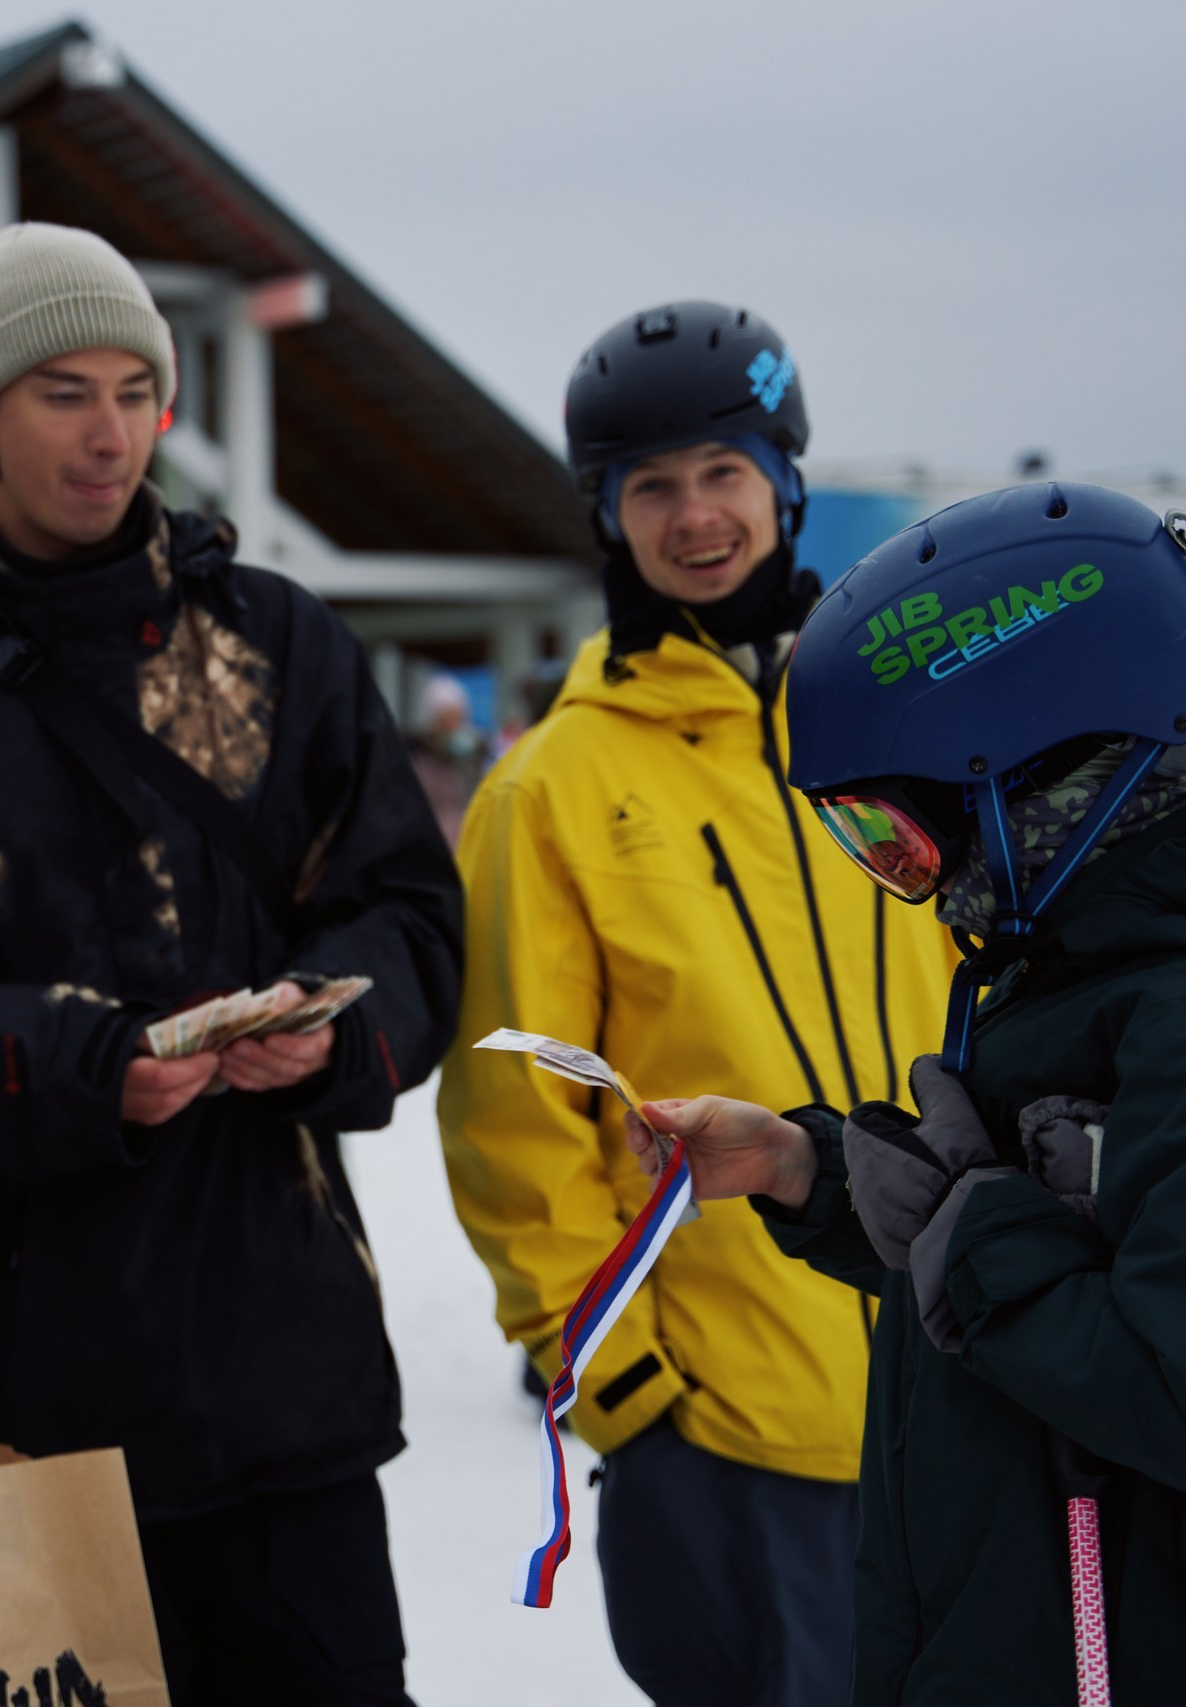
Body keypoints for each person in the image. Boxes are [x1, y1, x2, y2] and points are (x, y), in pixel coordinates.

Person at [0, 222, 463, 1705]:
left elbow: (410, 916)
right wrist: (82, 1065)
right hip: (10, 1408)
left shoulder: (284, 647)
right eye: (62, 390)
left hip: (284, 1378)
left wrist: (335, 1034)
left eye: (137, 388)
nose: (109, 431)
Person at [632, 482, 1186, 1704]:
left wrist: (975, 1228)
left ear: (1014, 781)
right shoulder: (1091, 958)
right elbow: (1055, 1242)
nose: (894, 879)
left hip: (1164, 1653)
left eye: (891, 835)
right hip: (1031, 1626)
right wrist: (799, 1167)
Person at [437, 301, 957, 1706]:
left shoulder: (902, 733)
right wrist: (630, 1398)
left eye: (723, 470)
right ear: (609, 515)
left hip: (970, 1385)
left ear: (784, 480)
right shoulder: (551, 785)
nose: (694, 513)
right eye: (649, 484)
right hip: (730, 1432)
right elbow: (512, 1122)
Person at [407, 672, 485, 843]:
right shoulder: (419, 755)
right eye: (449, 717)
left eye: (459, 717)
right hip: (432, 844)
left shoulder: (470, 753)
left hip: (464, 841)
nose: (455, 725)